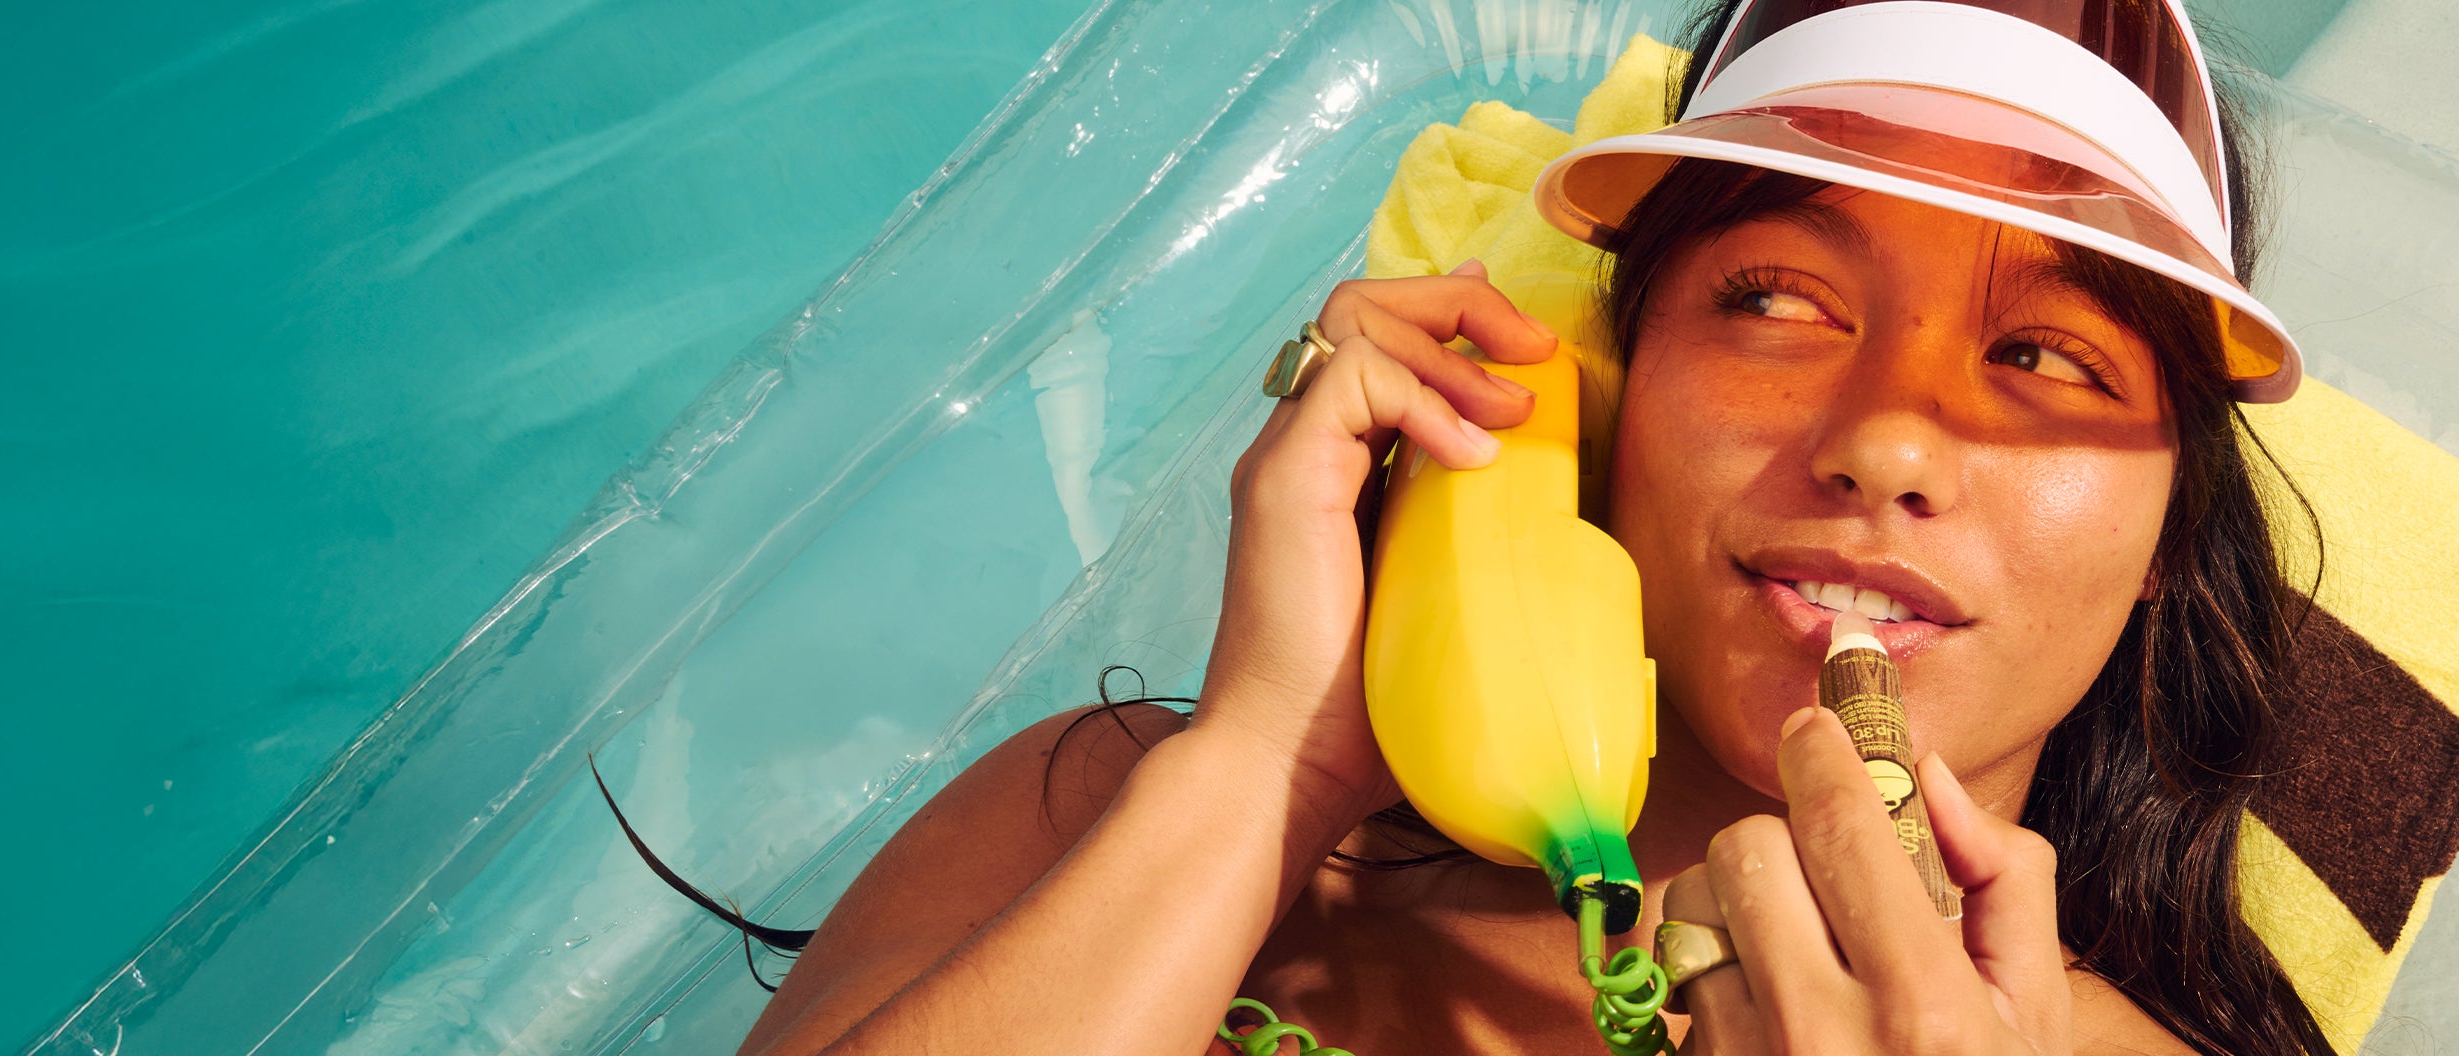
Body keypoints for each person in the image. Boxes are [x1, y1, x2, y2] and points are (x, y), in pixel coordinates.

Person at [696, 1, 2338, 1052]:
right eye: (1774, 299)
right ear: (1613, 390)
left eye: (2044, 355)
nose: (1888, 443)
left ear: (2170, 530)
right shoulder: (1104, 821)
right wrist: (1277, 760)